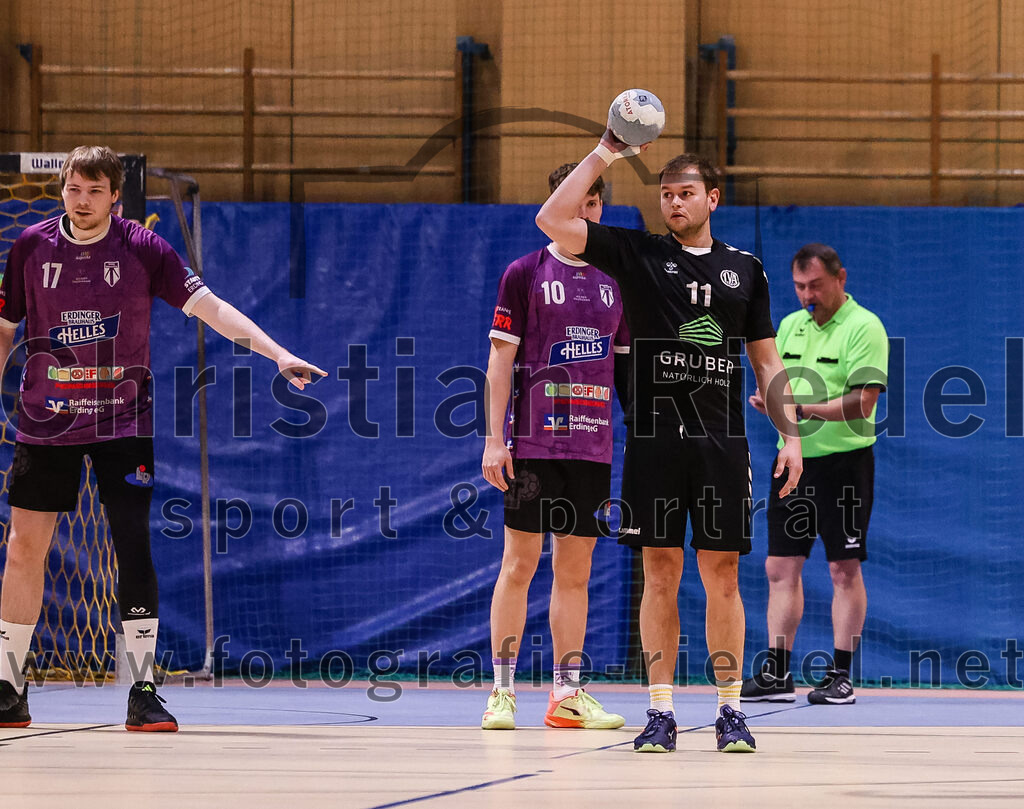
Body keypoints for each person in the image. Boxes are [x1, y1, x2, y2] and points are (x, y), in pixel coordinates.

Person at [0, 146, 326, 731]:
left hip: (122, 422)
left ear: (114, 197)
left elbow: (213, 309)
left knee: (133, 547)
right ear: (64, 191)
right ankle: (7, 685)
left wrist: (277, 353)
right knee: (25, 547)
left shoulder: (143, 249)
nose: (82, 201)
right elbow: (4, 329)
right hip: (45, 422)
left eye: (94, 191)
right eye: (74, 189)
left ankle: (143, 692)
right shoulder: (30, 248)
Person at [535, 138, 803, 754]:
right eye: (665, 195)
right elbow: (552, 219)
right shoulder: (637, 253)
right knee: (660, 573)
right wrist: (606, 149)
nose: (674, 204)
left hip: (721, 446)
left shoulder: (746, 269)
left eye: (685, 194)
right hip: (654, 442)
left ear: (712, 198)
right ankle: (661, 712)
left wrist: (791, 436)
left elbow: (767, 361)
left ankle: (730, 712)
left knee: (723, 576)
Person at [480, 163, 629, 731]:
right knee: (518, 564)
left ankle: (565, 695)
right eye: (577, 203)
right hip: (534, 446)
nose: (586, 214)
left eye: (594, 204)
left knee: (575, 571)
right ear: (558, 205)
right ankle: (501, 691)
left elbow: (625, 371)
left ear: (600, 208)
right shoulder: (524, 273)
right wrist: (495, 441)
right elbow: (499, 361)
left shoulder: (619, 279)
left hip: (592, 450)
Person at [741, 243, 888, 706]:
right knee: (780, 566)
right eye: (801, 286)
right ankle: (778, 672)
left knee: (843, 568)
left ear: (840, 278)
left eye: (817, 285)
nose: (809, 295)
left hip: (844, 465)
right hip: (791, 463)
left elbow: (863, 403)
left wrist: (799, 409)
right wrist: (774, 406)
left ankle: (840, 676)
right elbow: (772, 385)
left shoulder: (865, 327)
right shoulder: (788, 326)